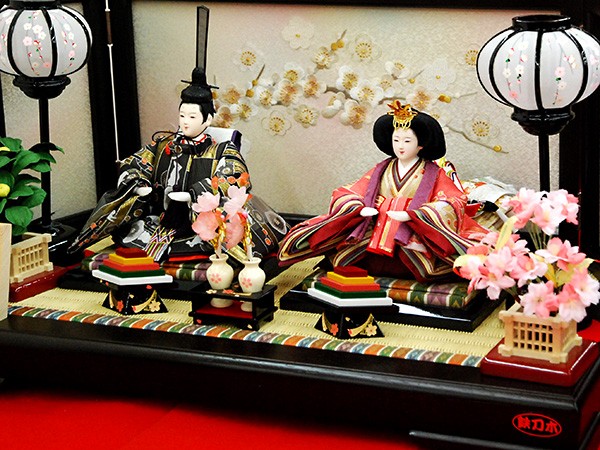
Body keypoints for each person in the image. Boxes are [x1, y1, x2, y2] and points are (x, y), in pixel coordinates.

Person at [69, 67, 288, 264]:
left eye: (192, 116)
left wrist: (195, 194)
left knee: (216, 238)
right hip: (160, 218)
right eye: (182, 115)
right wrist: (138, 184)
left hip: (198, 222)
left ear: (208, 119)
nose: (185, 122)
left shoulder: (222, 150)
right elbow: (135, 162)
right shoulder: (163, 144)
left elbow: (234, 178)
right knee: (131, 235)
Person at [278, 101, 488, 282]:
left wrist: (416, 214)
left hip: (412, 231)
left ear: (421, 145)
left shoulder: (434, 173)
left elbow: (452, 200)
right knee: (343, 258)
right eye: (396, 140)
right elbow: (352, 190)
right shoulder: (382, 169)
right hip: (377, 225)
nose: (400, 146)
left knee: (429, 267)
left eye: (407, 141)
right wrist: (359, 208)